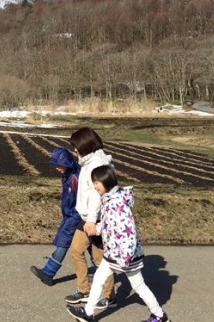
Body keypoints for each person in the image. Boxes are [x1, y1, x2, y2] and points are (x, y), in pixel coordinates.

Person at [67, 165, 171, 322]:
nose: (95, 186)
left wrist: (125, 257)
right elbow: (111, 224)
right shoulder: (112, 199)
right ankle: (159, 315)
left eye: (96, 183)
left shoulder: (117, 203)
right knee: (106, 280)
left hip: (122, 255)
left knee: (136, 286)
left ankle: (159, 316)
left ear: (105, 181)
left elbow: (128, 231)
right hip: (117, 254)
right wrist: (97, 229)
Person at [65, 127, 116, 310]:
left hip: (96, 219)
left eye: (76, 146)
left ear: (86, 144)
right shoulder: (88, 162)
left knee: (100, 260)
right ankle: (84, 290)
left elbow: (97, 195)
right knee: (76, 250)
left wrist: (92, 221)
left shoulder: (97, 164)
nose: (75, 150)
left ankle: (109, 296)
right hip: (86, 216)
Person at [30, 147, 81, 286]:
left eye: (59, 165)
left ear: (66, 163)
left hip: (75, 217)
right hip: (70, 215)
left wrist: (75, 216)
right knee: (90, 247)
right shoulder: (67, 176)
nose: (57, 168)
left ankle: (48, 273)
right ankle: (102, 273)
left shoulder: (76, 178)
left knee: (63, 243)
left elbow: (81, 199)